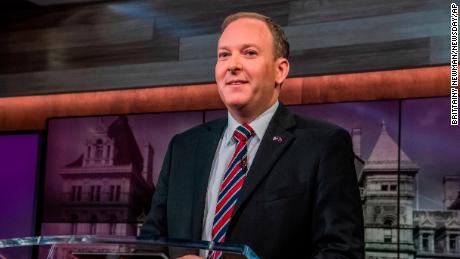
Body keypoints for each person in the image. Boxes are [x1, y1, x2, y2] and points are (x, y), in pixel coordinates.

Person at [140, 12, 364, 259]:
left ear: (280, 70)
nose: (233, 65)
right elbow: (149, 246)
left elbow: (342, 253)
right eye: (224, 55)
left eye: (249, 53)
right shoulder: (183, 147)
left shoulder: (323, 145)